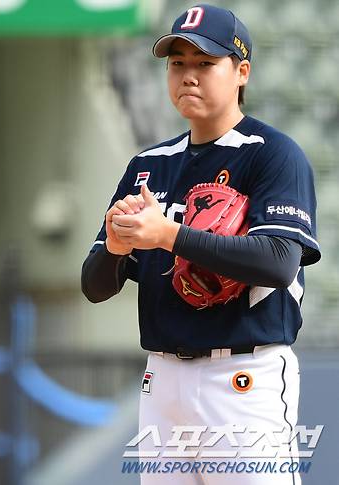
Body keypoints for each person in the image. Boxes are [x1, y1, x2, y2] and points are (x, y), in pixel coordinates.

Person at [81, 5, 319, 484]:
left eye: (205, 63)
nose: (188, 75)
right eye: (177, 63)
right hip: (161, 379)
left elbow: (278, 262)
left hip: (242, 378)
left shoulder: (273, 154)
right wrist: (116, 245)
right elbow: (94, 286)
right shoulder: (149, 165)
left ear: (241, 72)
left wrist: (169, 235)